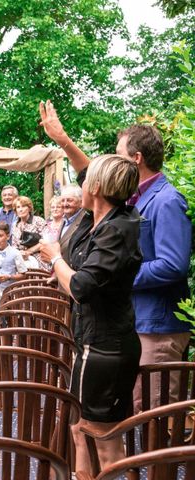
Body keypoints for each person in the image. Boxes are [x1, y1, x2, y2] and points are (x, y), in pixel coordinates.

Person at [40, 100, 192, 411]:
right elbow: (92, 178)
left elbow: (172, 265)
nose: (111, 161)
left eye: (118, 156)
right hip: (133, 324)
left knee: (151, 418)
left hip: (157, 327)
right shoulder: (132, 197)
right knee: (129, 418)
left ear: (136, 160)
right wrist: (63, 141)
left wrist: (108, 278)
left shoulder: (166, 201)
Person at [40, 154, 142, 474]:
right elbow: (91, 171)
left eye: (85, 181)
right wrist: (62, 141)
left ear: (96, 188)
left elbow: (82, 287)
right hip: (89, 344)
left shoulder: (119, 228)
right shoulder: (93, 218)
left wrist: (55, 258)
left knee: (104, 439)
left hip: (106, 348)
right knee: (80, 430)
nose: (80, 184)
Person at [10, 195, 47, 270]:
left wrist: (28, 252)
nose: (21, 209)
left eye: (23, 206)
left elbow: (45, 241)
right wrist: (20, 254)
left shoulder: (38, 221)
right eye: (18, 207)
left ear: (29, 208)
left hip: (39, 259)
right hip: (21, 260)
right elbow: (14, 245)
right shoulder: (15, 225)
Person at [58, 185, 84, 262]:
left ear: (80, 202)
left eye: (69, 200)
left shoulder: (85, 221)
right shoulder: (64, 220)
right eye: (62, 200)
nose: (65, 204)